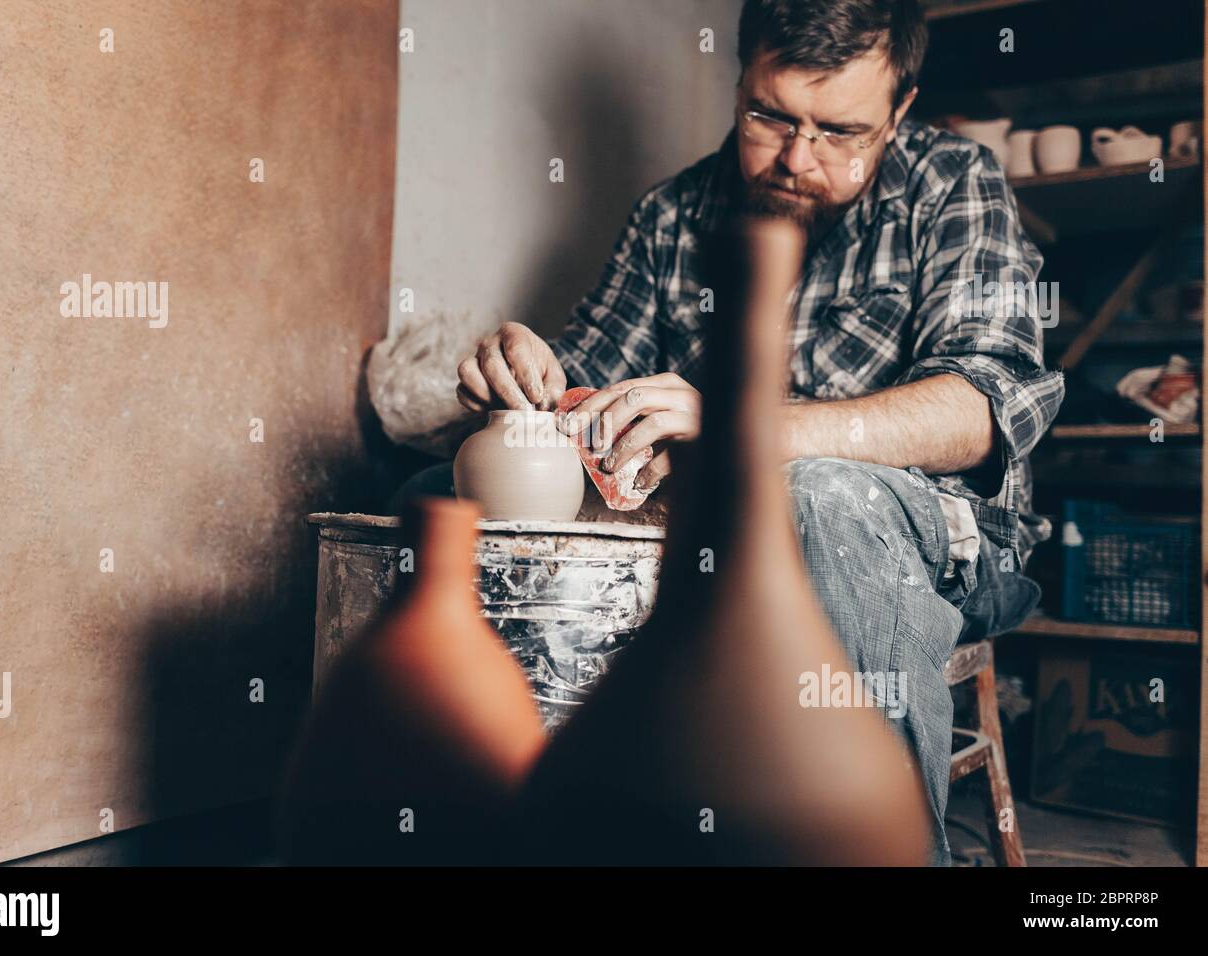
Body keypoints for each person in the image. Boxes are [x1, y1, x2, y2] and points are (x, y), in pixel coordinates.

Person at [449, 0, 1063, 865]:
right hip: (716, 540)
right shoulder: (673, 216)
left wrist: (748, 429)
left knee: (819, 499)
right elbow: (580, 378)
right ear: (739, 83)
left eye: (841, 131)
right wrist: (525, 378)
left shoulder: (953, 183)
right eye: (769, 116)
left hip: (941, 538)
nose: (797, 158)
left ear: (900, 108)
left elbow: (984, 408)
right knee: (432, 500)